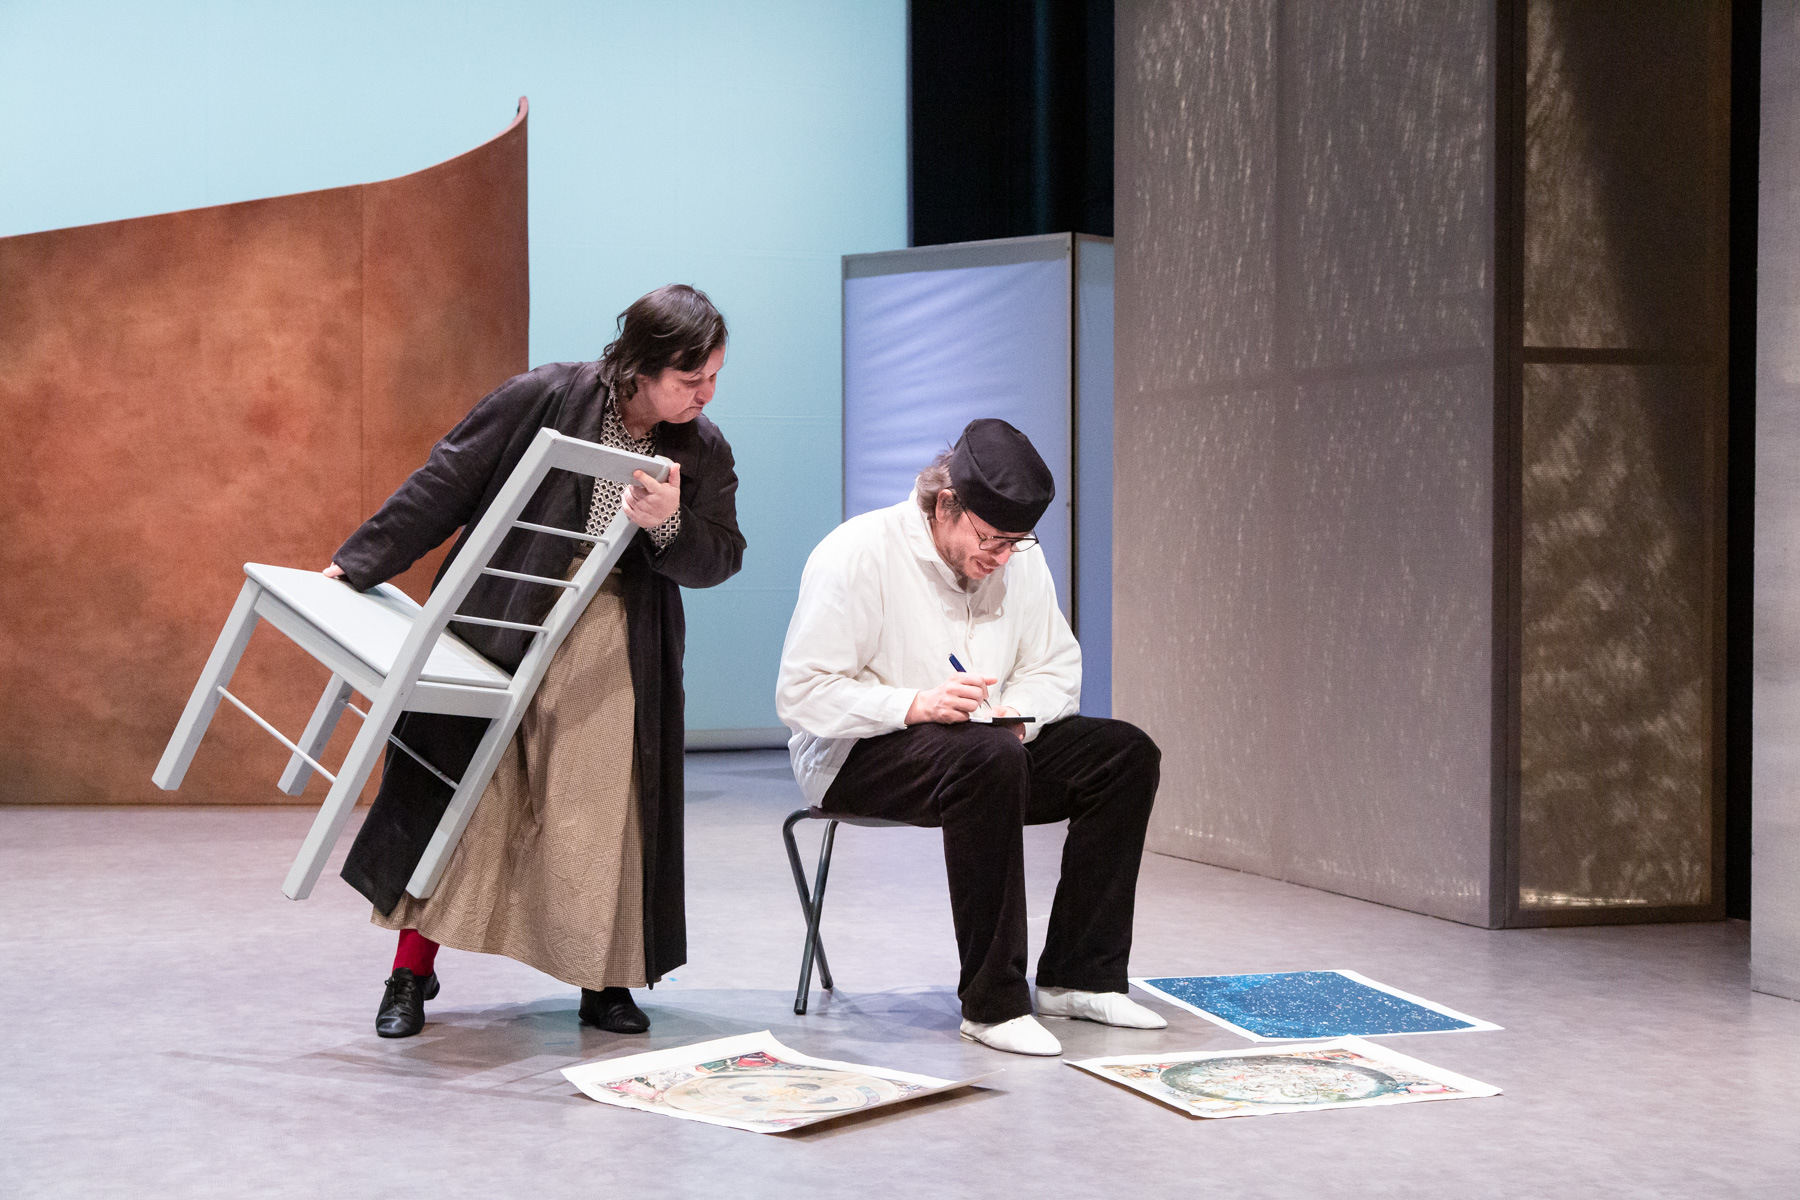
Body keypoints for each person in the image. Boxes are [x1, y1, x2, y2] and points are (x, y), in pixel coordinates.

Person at [325, 284, 744, 1038]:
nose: (706, 395)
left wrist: (668, 523)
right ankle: (410, 972)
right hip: (502, 615)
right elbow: (447, 480)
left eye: (714, 376)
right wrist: (359, 563)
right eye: (692, 379)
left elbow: (722, 555)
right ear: (642, 366)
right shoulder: (546, 395)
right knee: (463, 796)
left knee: (603, 806)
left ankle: (605, 979)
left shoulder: (701, 447)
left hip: (613, 638)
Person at [775, 419, 1163, 1056]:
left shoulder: (1015, 559)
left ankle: (1079, 977)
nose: (1003, 557)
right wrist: (915, 704)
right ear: (945, 505)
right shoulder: (857, 553)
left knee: (1124, 755)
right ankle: (993, 1004)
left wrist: (1018, 714)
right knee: (988, 759)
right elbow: (803, 693)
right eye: (991, 540)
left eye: (1017, 542)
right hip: (855, 754)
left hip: (986, 747)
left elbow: (1055, 665)